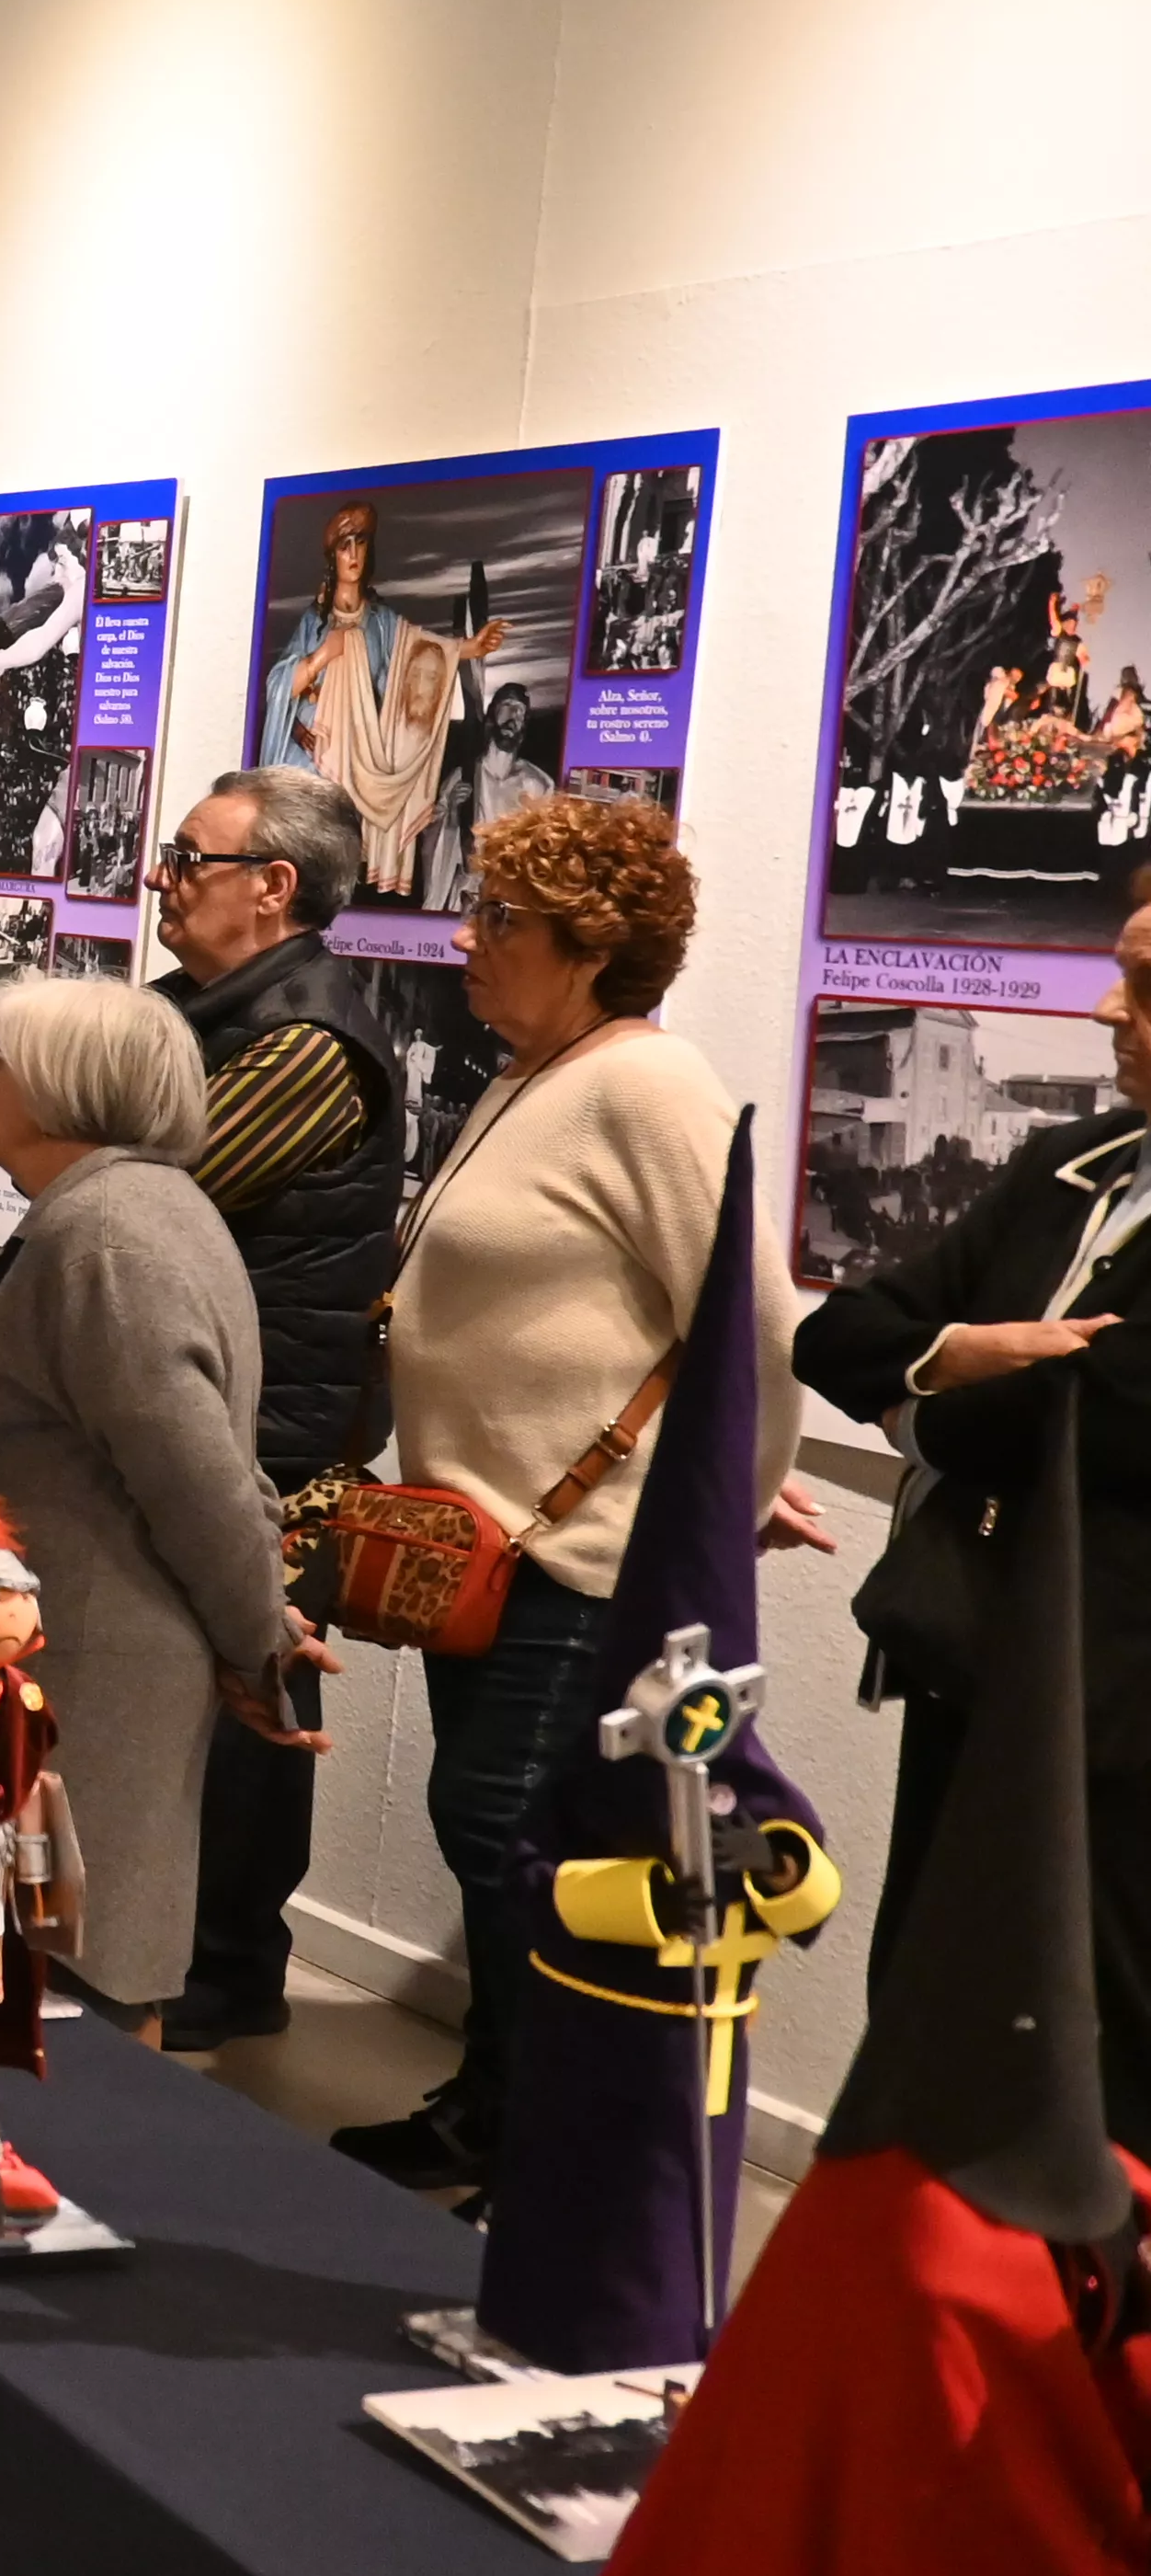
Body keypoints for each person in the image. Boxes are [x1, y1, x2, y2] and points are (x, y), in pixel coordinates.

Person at [332, 794, 821, 2192]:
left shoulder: (648, 1088)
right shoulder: (525, 1076)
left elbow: (756, 1327)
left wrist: (726, 1510)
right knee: (493, 1823)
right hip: (483, 1536)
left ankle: (557, 2147)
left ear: (593, 949)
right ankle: (495, 2108)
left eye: (505, 924)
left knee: (509, 1828)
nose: (471, 942)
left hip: (584, 1548)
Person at [792, 886, 1151, 2160]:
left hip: (1115, 1713)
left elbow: (1101, 1415)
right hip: (968, 1663)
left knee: (1094, 2072)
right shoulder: (1073, 1167)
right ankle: (913, 2311)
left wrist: (924, 1391)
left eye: (1145, 988)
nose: (1109, 1010)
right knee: (929, 2011)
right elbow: (836, 1337)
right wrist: (965, 1359)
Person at [0, 978, 319, 2031]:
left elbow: (201, 1481)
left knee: (67, 1990)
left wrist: (256, 1642)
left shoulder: (107, 1237)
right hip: (49, 1661)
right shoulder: (118, 1214)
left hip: (87, 1678)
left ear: (60, 1091)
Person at [143, 765, 397, 2047]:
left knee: (248, 1688)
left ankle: (226, 1969)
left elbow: (145, 1188)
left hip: (264, 1428)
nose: (161, 878)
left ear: (274, 886)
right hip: (208, 1398)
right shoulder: (206, 1008)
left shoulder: (304, 1041)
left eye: (191, 857)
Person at [254, 500, 496, 903]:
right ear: (333, 556)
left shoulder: (381, 622)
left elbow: (419, 659)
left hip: (363, 752)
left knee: (353, 849)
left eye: (360, 544)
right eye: (344, 546)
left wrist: (469, 648)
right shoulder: (315, 620)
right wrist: (320, 658)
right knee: (303, 851)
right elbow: (280, 685)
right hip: (313, 758)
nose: (353, 555)